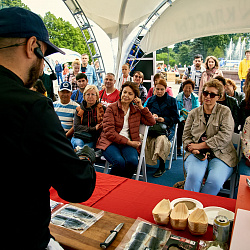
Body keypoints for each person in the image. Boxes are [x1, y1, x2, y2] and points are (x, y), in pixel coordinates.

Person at [0, 7, 96, 249]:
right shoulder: (31, 106)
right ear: (32, 46)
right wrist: (85, 155)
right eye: (43, 54)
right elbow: (77, 186)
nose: (43, 66)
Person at [182, 79, 237, 195]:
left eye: (212, 95)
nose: (208, 97)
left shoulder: (225, 112)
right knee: (193, 177)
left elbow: (225, 136)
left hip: (221, 154)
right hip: (195, 153)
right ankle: (190, 205)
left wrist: (200, 145)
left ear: (219, 97)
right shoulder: (193, 113)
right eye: (205, 93)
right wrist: (194, 149)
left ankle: (202, 208)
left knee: (214, 182)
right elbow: (186, 136)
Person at [96, 81, 156, 178]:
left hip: (128, 143)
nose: (126, 95)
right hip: (110, 142)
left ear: (135, 97)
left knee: (132, 162)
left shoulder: (136, 110)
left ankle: (123, 185)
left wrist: (141, 107)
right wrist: (129, 142)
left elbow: (152, 122)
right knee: (119, 162)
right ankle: (109, 185)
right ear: (121, 93)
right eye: (124, 92)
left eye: (130, 94)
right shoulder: (111, 108)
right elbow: (109, 133)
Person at [145, 79, 179, 177]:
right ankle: (141, 162)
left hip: (167, 129)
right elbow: (145, 114)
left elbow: (176, 118)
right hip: (152, 127)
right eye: (157, 89)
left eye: (162, 89)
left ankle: (162, 166)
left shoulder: (172, 101)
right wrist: (152, 116)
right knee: (140, 137)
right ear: (154, 89)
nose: (159, 91)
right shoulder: (151, 100)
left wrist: (164, 119)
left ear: (165, 89)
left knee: (161, 140)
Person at [71, 85, 105, 149]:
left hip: (93, 138)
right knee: (79, 145)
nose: (90, 97)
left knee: (86, 148)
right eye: (88, 94)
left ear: (97, 97)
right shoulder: (79, 109)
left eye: (93, 94)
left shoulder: (102, 109)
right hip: (79, 136)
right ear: (84, 96)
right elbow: (76, 127)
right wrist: (94, 128)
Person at [176, 79, 200, 155]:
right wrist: (183, 120)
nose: (187, 89)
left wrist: (190, 120)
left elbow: (196, 111)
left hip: (192, 119)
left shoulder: (195, 98)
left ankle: (192, 146)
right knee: (180, 127)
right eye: (186, 87)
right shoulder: (178, 98)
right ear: (183, 88)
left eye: (190, 88)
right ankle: (178, 147)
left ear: (192, 89)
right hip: (181, 119)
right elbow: (177, 111)